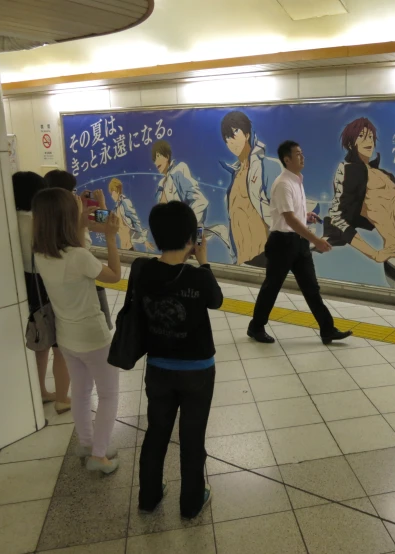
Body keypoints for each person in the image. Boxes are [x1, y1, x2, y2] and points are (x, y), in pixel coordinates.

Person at [135, 201, 222, 519]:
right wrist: (204, 263)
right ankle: (191, 501)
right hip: (197, 371)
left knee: (156, 431)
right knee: (192, 435)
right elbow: (217, 300)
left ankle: (149, 497)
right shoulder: (197, 278)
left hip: (158, 367)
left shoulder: (143, 271)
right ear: (191, 238)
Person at [32, 187, 123, 474]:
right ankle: (99, 455)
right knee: (108, 395)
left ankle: (87, 443)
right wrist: (110, 237)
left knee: (82, 392)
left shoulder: (41, 254)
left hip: (67, 339)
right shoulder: (79, 257)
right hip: (94, 338)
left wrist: (96, 211)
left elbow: (77, 235)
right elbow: (115, 276)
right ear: (67, 218)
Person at [247, 141, 352, 345]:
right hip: (282, 244)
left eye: (302, 153)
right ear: (287, 159)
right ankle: (256, 327)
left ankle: (327, 329)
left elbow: (294, 215)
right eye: (298, 154)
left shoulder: (297, 180)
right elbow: (289, 219)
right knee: (272, 287)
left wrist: (306, 215)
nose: (302, 157)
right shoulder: (283, 183)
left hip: (298, 243)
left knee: (311, 288)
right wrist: (316, 240)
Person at [324, 117, 395, 293]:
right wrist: (375, 254)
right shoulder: (348, 170)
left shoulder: (386, 175)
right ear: (350, 143)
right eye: (362, 136)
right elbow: (337, 217)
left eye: (371, 136)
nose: (368, 141)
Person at [13, 171, 71, 413]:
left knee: (39, 340)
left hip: (23, 284)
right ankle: (59, 396)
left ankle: (39, 390)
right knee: (55, 341)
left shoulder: (9, 219)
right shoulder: (36, 222)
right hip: (43, 283)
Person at [43, 169, 114, 331]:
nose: (76, 195)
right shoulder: (72, 219)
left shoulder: (46, 221)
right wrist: (101, 202)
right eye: (72, 191)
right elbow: (104, 227)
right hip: (81, 276)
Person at [219, 110, 282, 268]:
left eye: (235, 133)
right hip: (242, 263)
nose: (231, 141)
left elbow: (285, 212)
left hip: (266, 259)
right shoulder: (233, 180)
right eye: (227, 138)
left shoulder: (268, 166)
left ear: (247, 134)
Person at [107, 178, 155, 252]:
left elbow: (135, 221)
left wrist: (144, 240)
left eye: (112, 193)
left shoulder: (125, 203)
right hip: (122, 248)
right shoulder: (116, 209)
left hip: (128, 247)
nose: (111, 196)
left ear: (117, 191)